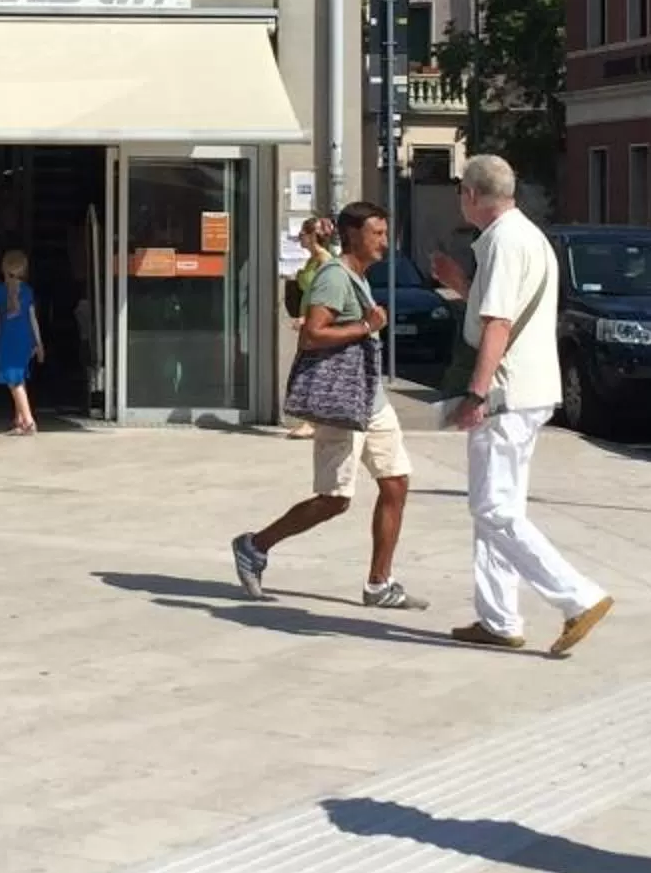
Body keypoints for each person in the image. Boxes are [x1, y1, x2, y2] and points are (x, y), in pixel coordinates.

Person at [447, 153, 613, 658]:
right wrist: (460, 285)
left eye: (462, 193)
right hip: (532, 387)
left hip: (506, 392)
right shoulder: (529, 237)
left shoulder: (501, 242)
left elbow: (497, 323)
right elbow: (502, 310)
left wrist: (476, 393)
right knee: (498, 506)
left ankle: (577, 597)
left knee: (492, 507)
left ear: (473, 196)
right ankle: (498, 617)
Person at [233, 200, 416, 609]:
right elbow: (311, 335)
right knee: (335, 499)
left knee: (396, 482)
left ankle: (379, 584)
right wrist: (367, 326)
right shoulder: (334, 277)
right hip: (344, 402)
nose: (384, 242)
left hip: (371, 399)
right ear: (353, 235)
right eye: (377, 233)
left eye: (385, 233)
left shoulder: (357, 276)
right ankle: (254, 545)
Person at [0, 248, 46, 435]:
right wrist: (38, 343)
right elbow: (33, 319)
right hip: (26, 340)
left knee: (13, 382)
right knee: (19, 379)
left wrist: (1, 337)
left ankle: (29, 421)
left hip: (9, 341)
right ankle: (19, 420)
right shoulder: (28, 292)